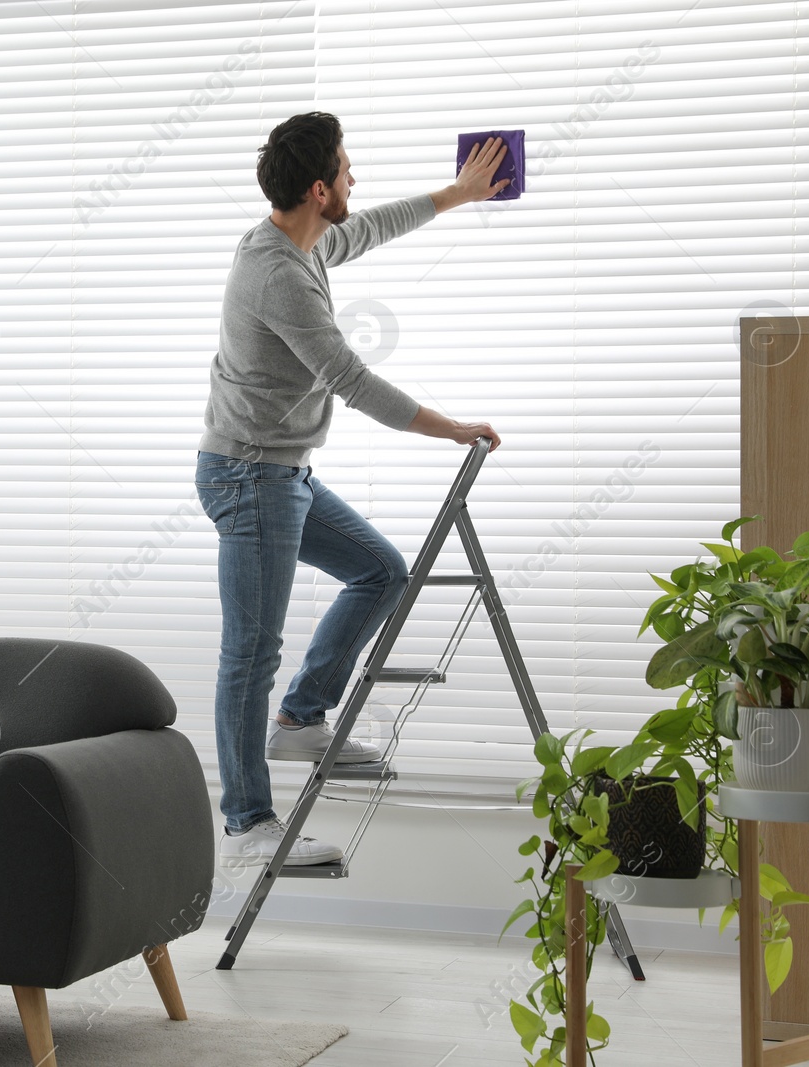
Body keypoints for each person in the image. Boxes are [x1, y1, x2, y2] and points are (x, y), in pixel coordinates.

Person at [197, 112, 507, 868]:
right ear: (316, 188)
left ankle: (301, 717)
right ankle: (246, 824)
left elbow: (365, 230)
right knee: (250, 651)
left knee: (381, 571)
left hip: (283, 472)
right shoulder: (274, 272)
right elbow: (350, 379)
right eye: (345, 170)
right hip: (249, 477)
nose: (353, 181)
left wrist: (456, 195)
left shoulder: (301, 243)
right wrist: (453, 428)